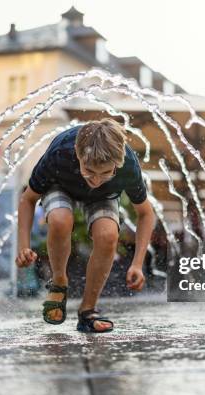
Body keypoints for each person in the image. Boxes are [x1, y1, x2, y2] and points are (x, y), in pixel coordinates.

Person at [15, 119, 156, 333]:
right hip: (60, 185)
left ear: (117, 164)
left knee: (108, 235)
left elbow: (146, 213)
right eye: (89, 171)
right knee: (61, 220)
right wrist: (24, 247)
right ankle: (59, 281)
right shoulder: (60, 154)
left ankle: (88, 310)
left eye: (106, 173)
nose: (96, 179)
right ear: (78, 154)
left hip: (103, 197)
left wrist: (137, 263)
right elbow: (27, 200)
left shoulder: (127, 164)